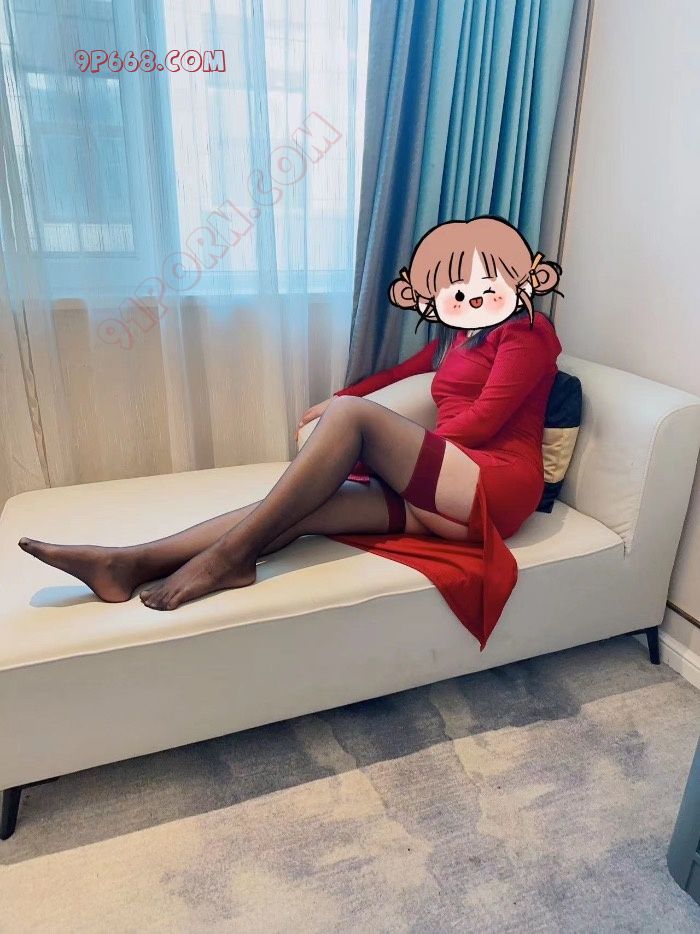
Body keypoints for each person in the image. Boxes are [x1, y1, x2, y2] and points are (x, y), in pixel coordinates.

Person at [17, 215, 562, 611]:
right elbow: (395, 375)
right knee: (302, 506)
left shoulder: (529, 333)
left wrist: (384, 453)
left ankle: (228, 559)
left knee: (352, 420)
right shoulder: (458, 338)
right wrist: (336, 399)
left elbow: (483, 422)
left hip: (495, 487)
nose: (469, 296)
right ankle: (129, 563)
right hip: (448, 492)